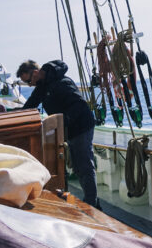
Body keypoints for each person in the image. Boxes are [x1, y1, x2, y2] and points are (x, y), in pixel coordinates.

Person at [17, 59, 98, 208]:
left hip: (81, 126)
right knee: (78, 167)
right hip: (68, 128)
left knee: (84, 165)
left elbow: (79, 105)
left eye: (29, 81)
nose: (30, 85)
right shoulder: (42, 86)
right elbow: (29, 106)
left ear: (35, 73)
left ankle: (92, 204)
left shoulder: (61, 82)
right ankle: (92, 201)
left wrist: (63, 121)